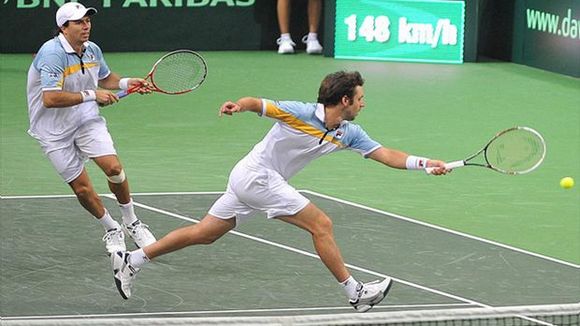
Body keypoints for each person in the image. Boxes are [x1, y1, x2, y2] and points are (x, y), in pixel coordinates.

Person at [110, 71, 449, 312]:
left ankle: (133, 259)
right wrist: (238, 106)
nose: (363, 104)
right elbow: (259, 103)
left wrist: (425, 163)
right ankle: (354, 292)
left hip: (251, 178)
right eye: (360, 98)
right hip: (258, 177)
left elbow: (386, 155)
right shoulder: (300, 112)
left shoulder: (349, 133)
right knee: (322, 225)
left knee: (205, 233)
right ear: (344, 99)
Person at [26, 2, 156, 255]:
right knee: (83, 189)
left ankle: (131, 222)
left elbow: (106, 78)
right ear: (63, 27)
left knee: (114, 169)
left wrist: (130, 82)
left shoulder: (92, 49)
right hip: (52, 131)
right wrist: (93, 95)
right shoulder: (52, 53)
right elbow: (50, 99)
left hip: (86, 120)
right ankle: (111, 228)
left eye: (88, 21)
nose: (86, 26)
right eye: (79, 22)